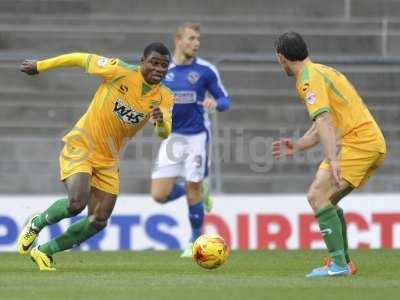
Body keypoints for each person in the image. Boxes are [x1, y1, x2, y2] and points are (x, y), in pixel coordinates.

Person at [17, 43, 174, 271]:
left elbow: (164, 132)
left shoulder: (165, 96)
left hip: (109, 160)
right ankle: (37, 223)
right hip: (81, 145)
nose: (159, 69)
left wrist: (160, 121)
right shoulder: (119, 70)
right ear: (142, 61)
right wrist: (41, 65)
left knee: (99, 220)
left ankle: (44, 251)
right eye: (154, 63)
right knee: (76, 203)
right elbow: (80, 58)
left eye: (164, 65)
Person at [272, 32, 386, 277]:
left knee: (317, 196)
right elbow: (325, 123)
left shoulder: (308, 78)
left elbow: (323, 119)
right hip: (367, 142)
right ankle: (344, 262)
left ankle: (339, 265)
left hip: (360, 143)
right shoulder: (321, 71)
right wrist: (299, 145)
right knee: (326, 199)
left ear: (281, 58)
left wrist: (333, 159)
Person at [150, 23, 231, 257]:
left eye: (198, 39)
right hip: (172, 137)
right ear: (178, 40)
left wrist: (215, 104)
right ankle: (196, 189)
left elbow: (225, 100)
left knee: (193, 188)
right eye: (191, 38)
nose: (196, 43)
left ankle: (195, 240)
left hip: (197, 137)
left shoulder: (206, 70)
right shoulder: (163, 71)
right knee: (159, 195)